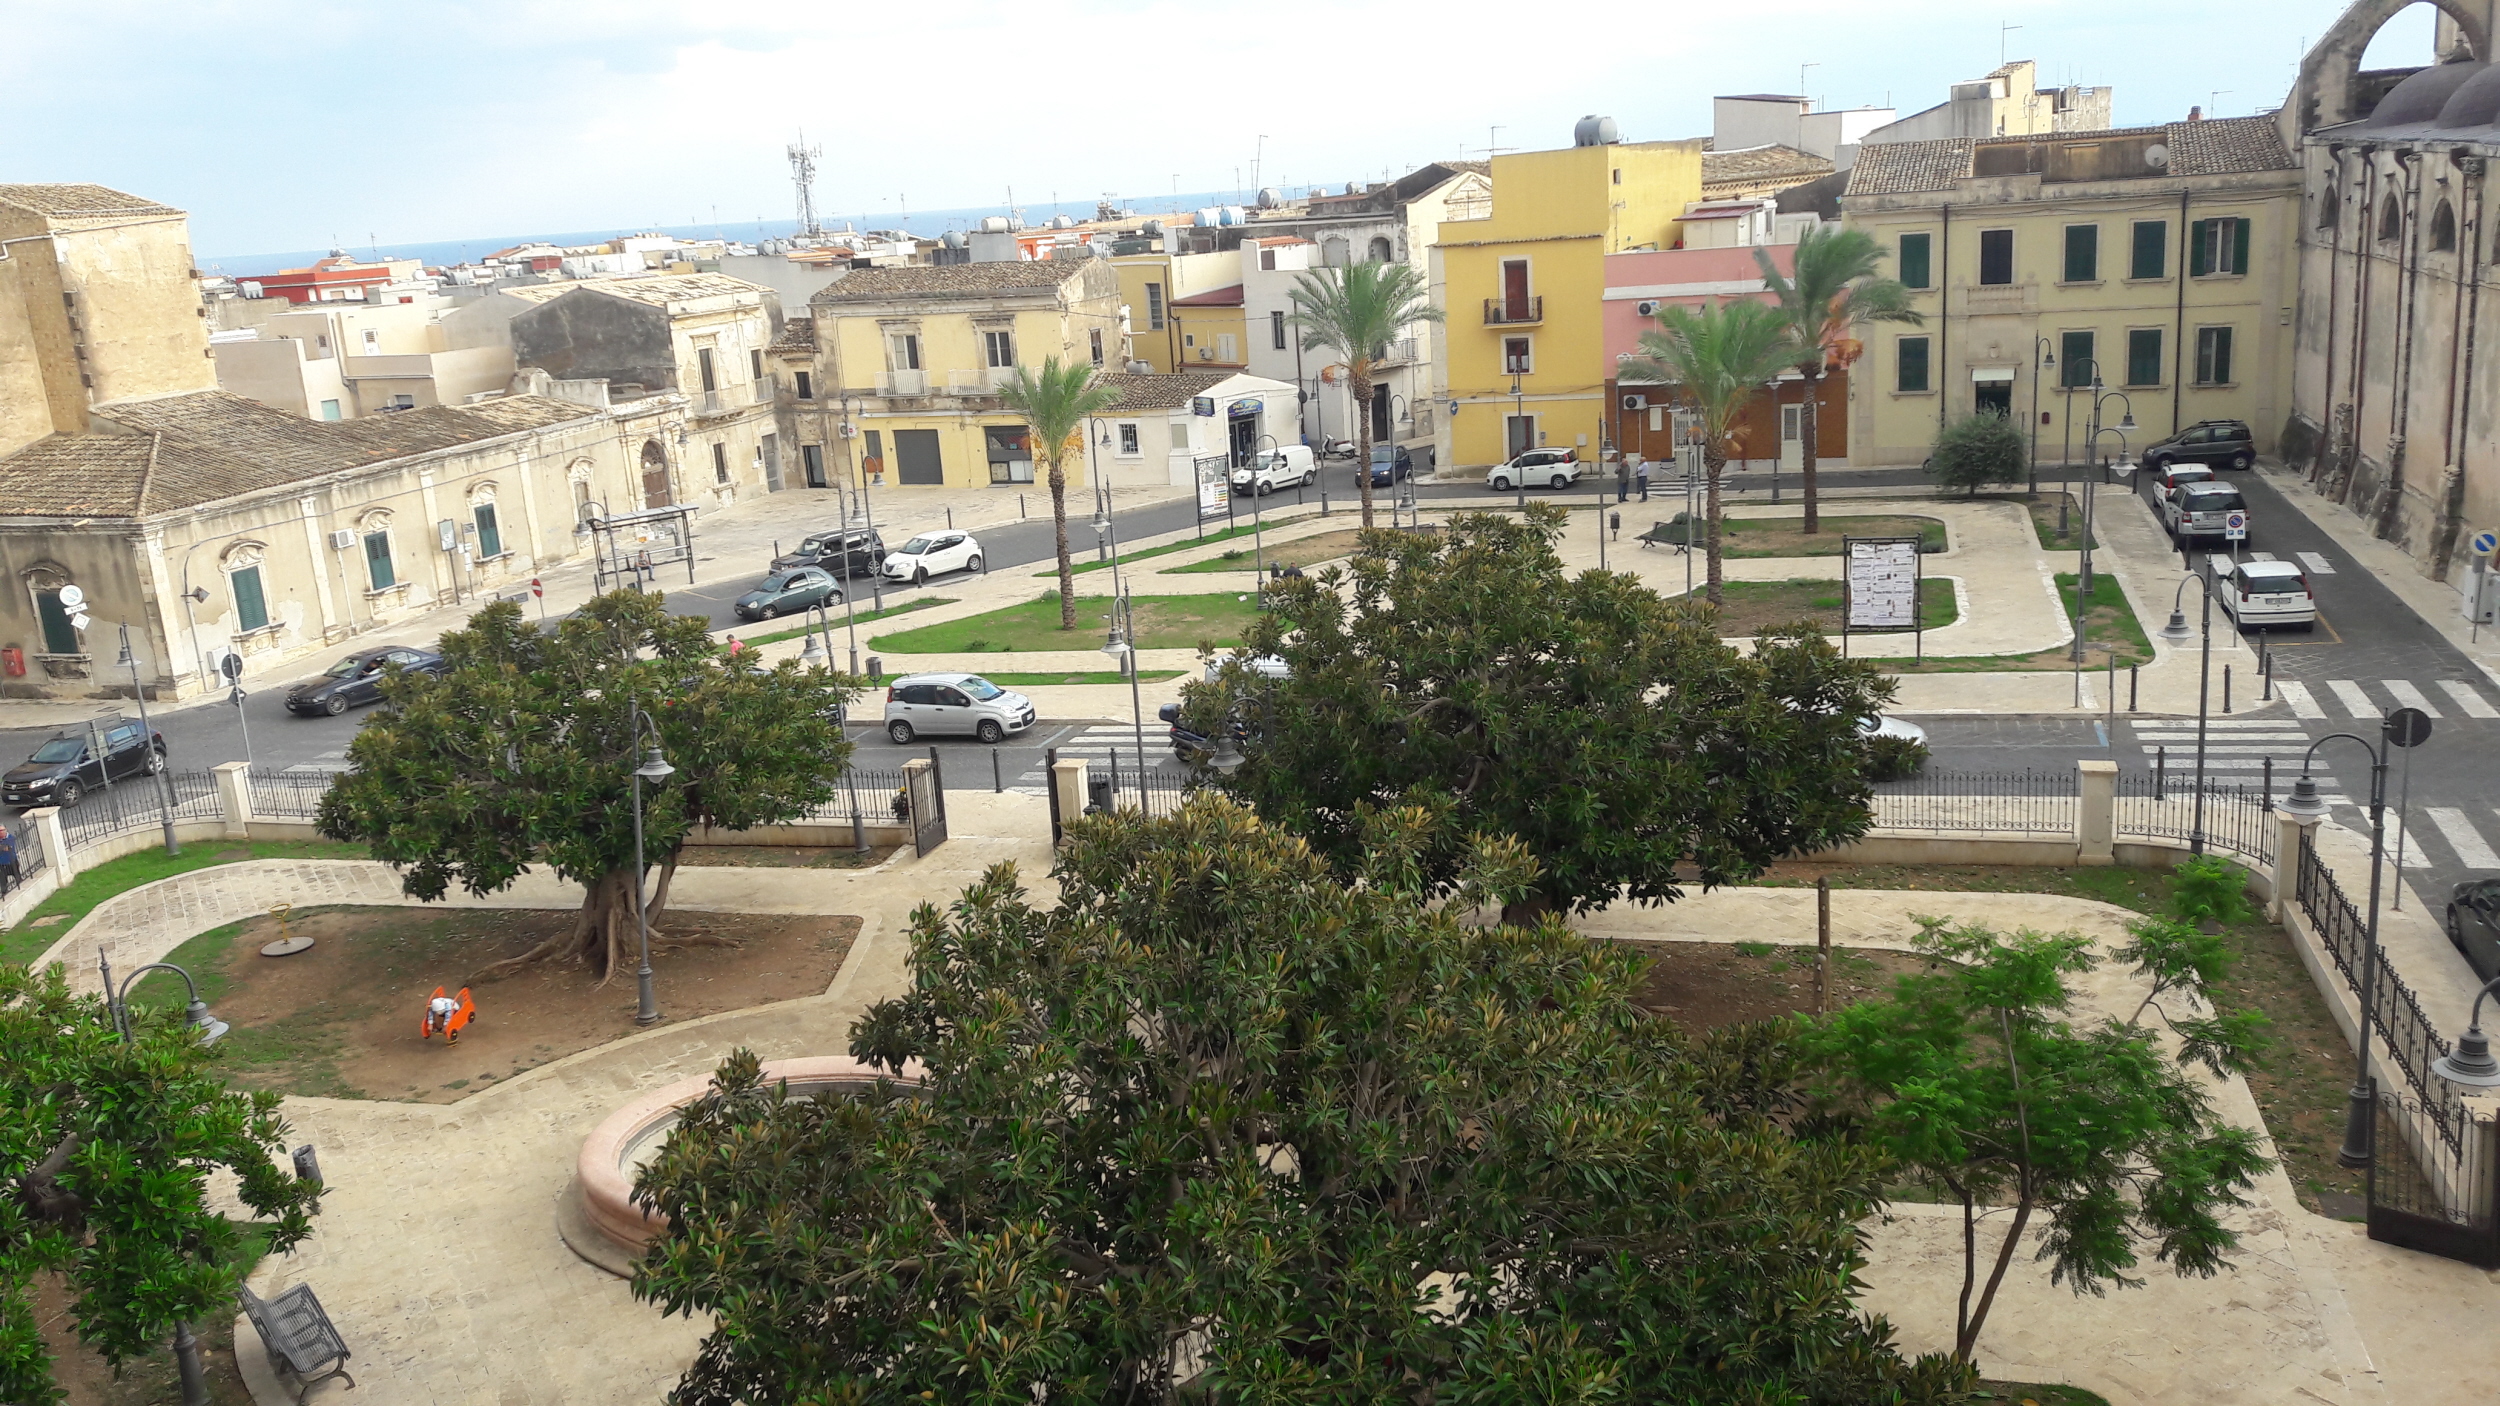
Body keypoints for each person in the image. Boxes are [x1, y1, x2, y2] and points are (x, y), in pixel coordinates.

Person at [0, 822, 17, 897]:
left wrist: (2, 847)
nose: (1, 832)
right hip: (2, 864)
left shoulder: (10, 837)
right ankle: (4, 893)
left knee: (17, 877)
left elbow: (8, 848)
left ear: (5, 830)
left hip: (12, 862)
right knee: (3, 880)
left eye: (2, 830)